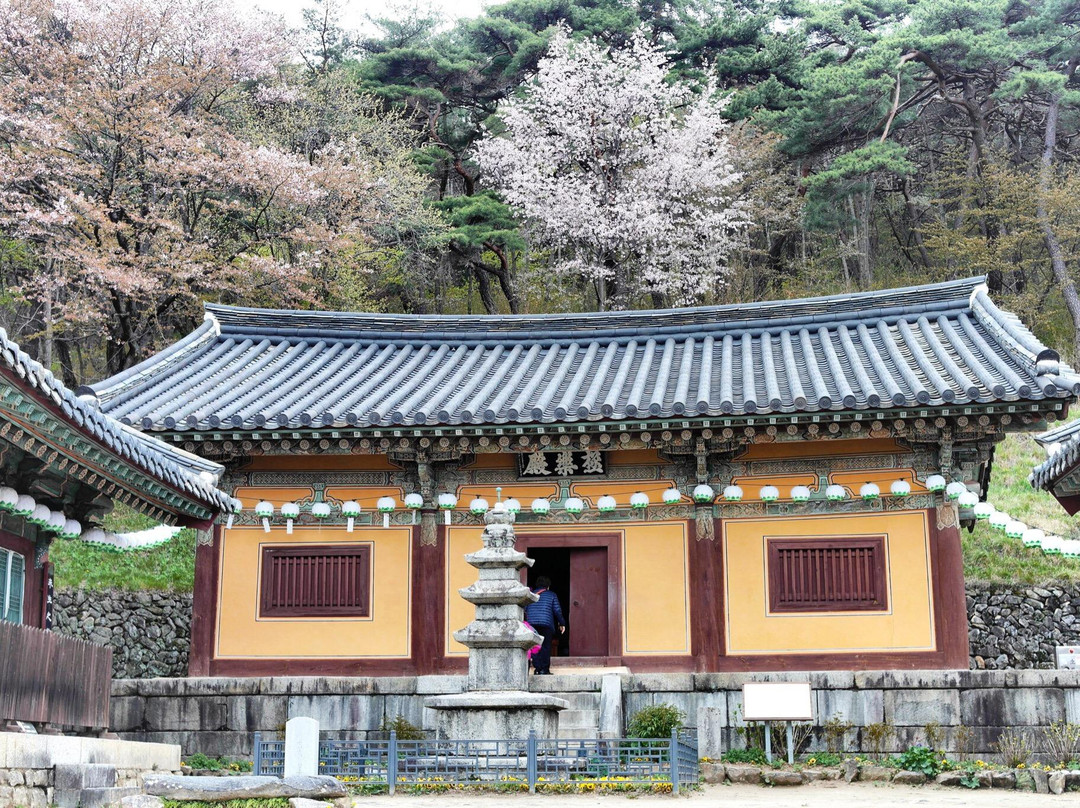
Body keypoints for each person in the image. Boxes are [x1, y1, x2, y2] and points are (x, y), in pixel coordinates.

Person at [524, 576, 565, 675]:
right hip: (546, 624)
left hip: (532, 624)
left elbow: (524, 609)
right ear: (548, 586)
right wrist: (562, 623)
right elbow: (557, 610)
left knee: (534, 646)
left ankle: (537, 668)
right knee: (546, 647)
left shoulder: (530, 595)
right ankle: (544, 670)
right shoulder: (552, 595)